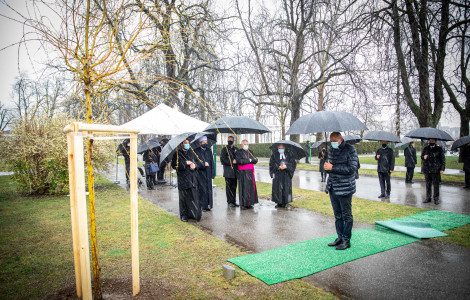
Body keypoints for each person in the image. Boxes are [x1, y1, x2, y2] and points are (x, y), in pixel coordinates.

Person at [324, 132, 358, 251]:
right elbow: (330, 168)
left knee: (346, 215)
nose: (332, 143)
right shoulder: (331, 150)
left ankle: (346, 239)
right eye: (331, 140)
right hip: (333, 186)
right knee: (337, 215)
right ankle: (339, 237)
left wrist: (333, 168)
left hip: (345, 187)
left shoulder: (350, 150)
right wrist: (327, 167)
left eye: (334, 141)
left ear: (340, 139)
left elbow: (351, 169)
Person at [171, 139, 202, 222]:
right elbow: (174, 165)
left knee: (193, 197)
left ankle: (193, 213)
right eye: (185, 143)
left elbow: (199, 163)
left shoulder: (192, 152)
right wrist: (185, 163)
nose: (187, 145)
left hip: (192, 179)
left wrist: (195, 165)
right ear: (181, 144)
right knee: (183, 199)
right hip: (183, 179)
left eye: (188, 143)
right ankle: (184, 215)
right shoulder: (177, 154)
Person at [269, 143, 296, 208]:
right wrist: (278, 166)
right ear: (277, 148)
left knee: (285, 188)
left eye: (282, 148)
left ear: (284, 148)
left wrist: (286, 166)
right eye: (279, 148)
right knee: (278, 188)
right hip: (278, 175)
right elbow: (271, 164)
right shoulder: (274, 156)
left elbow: (293, 164)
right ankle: (278, 202)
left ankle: (285, 202)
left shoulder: (289, 155)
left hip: (286, 175)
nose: (281, 150)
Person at [235, 139, 258, 210]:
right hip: (242, 172)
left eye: (247, 144)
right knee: (243, 188)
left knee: (250, 188)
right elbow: (239, 161)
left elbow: (255, 160)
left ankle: (250, 203)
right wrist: (249, 160)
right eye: (245, 144)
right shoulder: (238, 152)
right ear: (241, 145)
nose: (246, 145)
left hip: (250, 172)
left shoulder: (250, 152)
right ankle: (243, 204)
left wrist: (250, 161)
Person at [194, 136, 215, 211]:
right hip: (200, 173)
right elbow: (195, 162)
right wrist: (203, 164)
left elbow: (212, 162)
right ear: (200, 143)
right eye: (204, 142)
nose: (205, 143)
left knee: (208, 189)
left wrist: (213, 173)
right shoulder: (196, 151)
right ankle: (202, 205)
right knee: (202, 189)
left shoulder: (209, 150)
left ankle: (208, 204)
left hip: (208, 173)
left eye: (206, 142)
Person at [422, 138, 445, 204]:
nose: (431, 141)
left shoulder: (439, 149)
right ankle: (428, 197)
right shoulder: (426, 148)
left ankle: (436, 198)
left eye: (433, 140)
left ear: (435, 141)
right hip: (427, 169)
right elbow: (422, 156)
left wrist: (442, 168)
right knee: (428, 184)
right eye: (430, 140)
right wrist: (424, 157)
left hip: (435, 169)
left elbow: (442, 159)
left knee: (436, 184)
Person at [220, 136, 239, 207]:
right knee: (229, 187)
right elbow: (222, 160)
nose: (229, 141)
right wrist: (231, 162)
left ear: (233, 141)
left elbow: (238, 158)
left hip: (235, 172)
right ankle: (229, 201)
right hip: (228, 172)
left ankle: (234, 201)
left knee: (234, 187)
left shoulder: (236, 149)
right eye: (228, 140)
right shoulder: (224, 149)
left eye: (231, 140)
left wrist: (236, 154)